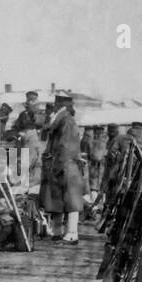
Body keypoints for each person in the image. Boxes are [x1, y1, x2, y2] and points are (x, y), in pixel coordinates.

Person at [39, 92, 84, 243]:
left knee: (70, 201)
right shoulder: (62, 120)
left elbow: (66, 146)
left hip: (66, 165)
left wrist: (58, 165)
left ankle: (72, 234)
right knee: (57, 199)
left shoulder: (67, 122)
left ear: (62, 107)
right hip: (61, 165)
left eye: (57, 105)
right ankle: (58, 232)